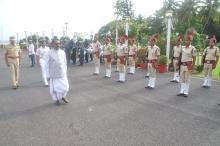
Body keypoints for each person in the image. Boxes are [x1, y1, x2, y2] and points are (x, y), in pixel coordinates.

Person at [46, 39, 69, 105]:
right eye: (56, 43)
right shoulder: (49, 53)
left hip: (62, 73)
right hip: (54, 74)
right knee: (54, 89)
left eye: (59, 43)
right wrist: (47, 75)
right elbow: (47, 65)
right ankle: (56, 100)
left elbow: (65, 63)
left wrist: (65, 71)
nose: (58, 45)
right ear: (52, 44)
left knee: (66, 87)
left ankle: (63, 97)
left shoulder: (62, 52)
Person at [177, 31, 197, 97]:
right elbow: (180, 56)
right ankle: (182, 90)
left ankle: (186, 92)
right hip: (182, 65)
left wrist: (193, 66)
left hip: (188, 65)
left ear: (190, 41)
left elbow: (194, 58)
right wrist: (178, 64)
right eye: (186, 40)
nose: (187, 42)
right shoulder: (182, 48)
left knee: (187, 79)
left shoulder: (193, 48)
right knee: (182, 78)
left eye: (188, 40)